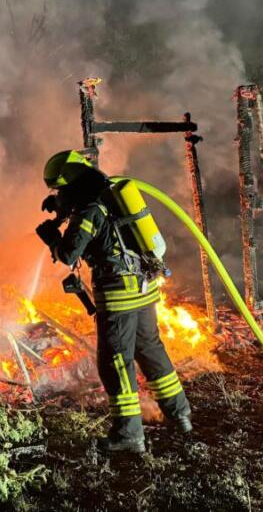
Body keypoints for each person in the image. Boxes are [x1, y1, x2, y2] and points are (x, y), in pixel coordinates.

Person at [35, 150, 191, 454]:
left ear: (72, 186)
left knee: (114, 361)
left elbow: (68, 254)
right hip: (143, 287)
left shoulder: (89, 211)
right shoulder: (109, 198)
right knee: (150, 350)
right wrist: (59, 210)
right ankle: (180, 414)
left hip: (119, 292)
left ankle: (129, 434)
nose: (59, 196)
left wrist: (50, 237)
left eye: (61, 190)